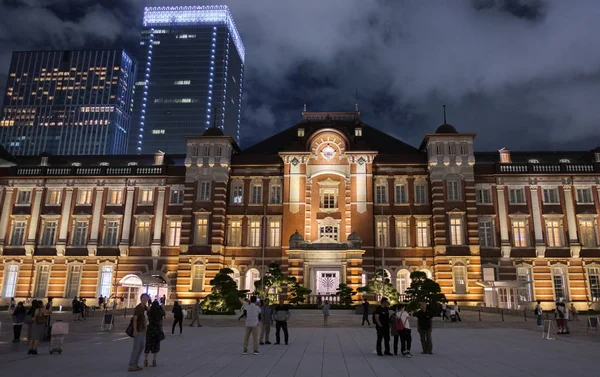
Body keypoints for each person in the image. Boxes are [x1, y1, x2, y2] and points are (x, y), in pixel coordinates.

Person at [128, 293, 150, 372]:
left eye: (146, 298)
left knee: (141, 347)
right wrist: (135, 330)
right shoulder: (138, 308)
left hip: (143, 330)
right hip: (138, 330)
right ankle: (131, 365)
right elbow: (135, 319)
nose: (145, 300)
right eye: (143, 298)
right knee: (136, 347)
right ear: (141, 299)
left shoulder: (145, 308)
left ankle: (135, 363)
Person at [144, 300, 165, 367]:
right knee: (156, 345)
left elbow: (147, 312)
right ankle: (154, 361)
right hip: (157, 330)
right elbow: (164, 314)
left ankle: (146, 360)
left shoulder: (149, 312)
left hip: (150, 329)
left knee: (148, 345)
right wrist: (162, 308)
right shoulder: (160, 312)